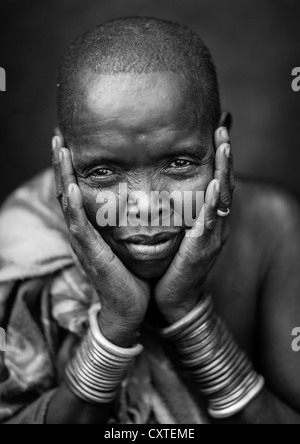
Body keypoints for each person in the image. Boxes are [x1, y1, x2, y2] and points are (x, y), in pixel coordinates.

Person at [0, 17, 300, 425]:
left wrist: (191, 314)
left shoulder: (273, 227)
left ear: (221, 142)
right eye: (103, 171)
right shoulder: (22, 246)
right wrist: (115, 326)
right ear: (63, 157)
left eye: (179, 163)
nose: (143, 204)